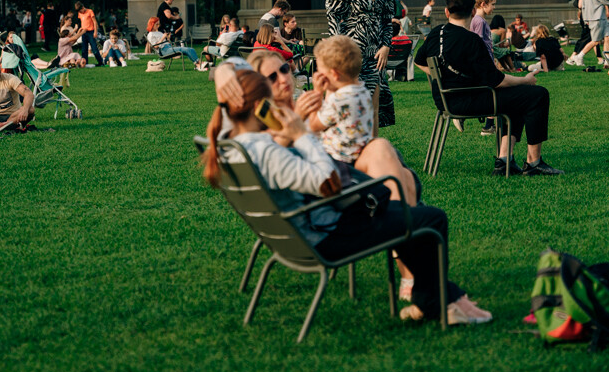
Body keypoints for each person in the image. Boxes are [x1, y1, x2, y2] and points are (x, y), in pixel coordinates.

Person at [202, 67, 492, 325]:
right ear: (258, 107)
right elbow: (326, 182)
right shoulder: (266, 152)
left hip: (305, 231)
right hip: (328, 237)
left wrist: (226, 75)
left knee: (401, 213)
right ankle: (439, 303)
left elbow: (231, 94)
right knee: (431, 219)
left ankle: (438, 299)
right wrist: (301, 135)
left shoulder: (233, 143)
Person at [415, 0, 562, 177]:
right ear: (473, 11)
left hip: (445, 99)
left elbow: (419, 61)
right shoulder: (472, 40)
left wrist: (443, 78)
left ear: (446, 12)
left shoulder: (436, 33)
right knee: (538, 94)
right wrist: (525, 79)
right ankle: (534, 162)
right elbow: (496, 80)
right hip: (469, 100)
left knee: (518, 96)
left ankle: (504, 161)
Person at [304, 35, 417, 204]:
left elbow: (314, 125)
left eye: (320, 71)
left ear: (334, 74)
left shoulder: (339, 100)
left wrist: (318, 93)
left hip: (342, 159)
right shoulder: (360, 90)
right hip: (360, 150)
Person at [326, 0, 397, 128]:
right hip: (352, 54)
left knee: (374, 110)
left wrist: (386, 46)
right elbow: (333, 19)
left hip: (376, 56)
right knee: (353, 109)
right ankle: (352, 152)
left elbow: (387, 18)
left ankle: (372, 152)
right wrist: (340, 51)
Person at [567, 0, 609, 67]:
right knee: (595, 41)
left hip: (595, 18)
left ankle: (607, 60)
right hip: (598, 18)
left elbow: (584, 5)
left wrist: (586, 19)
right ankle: (579, 56)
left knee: (607, 38)